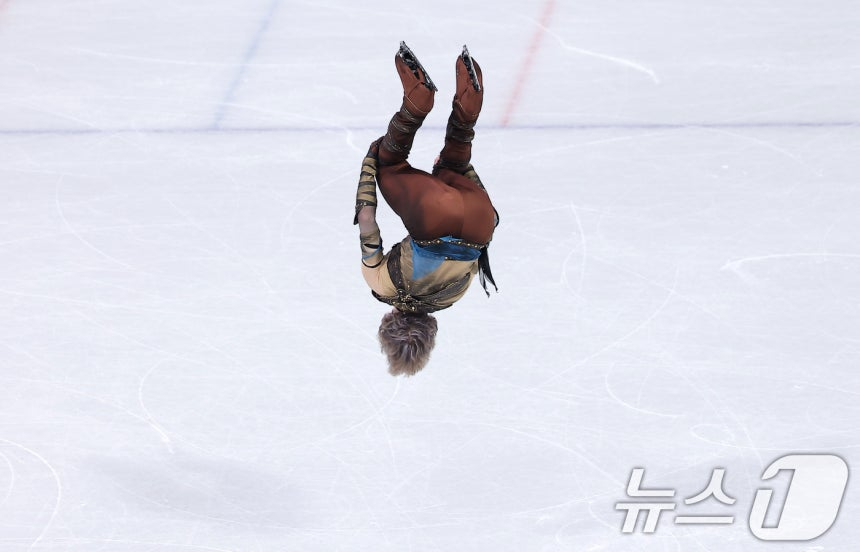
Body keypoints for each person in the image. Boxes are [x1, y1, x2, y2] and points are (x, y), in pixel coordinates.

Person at [353, 42, 499, 376]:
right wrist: (370, 165)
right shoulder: (381, 285)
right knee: (390, 163)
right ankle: (418, 99)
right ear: (386, 328)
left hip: (480, 221)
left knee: (452, 160)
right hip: (434, 219)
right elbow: (366, 218)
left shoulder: (454, 297)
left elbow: (483, 233)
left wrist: (464, 175)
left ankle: (470, 98)